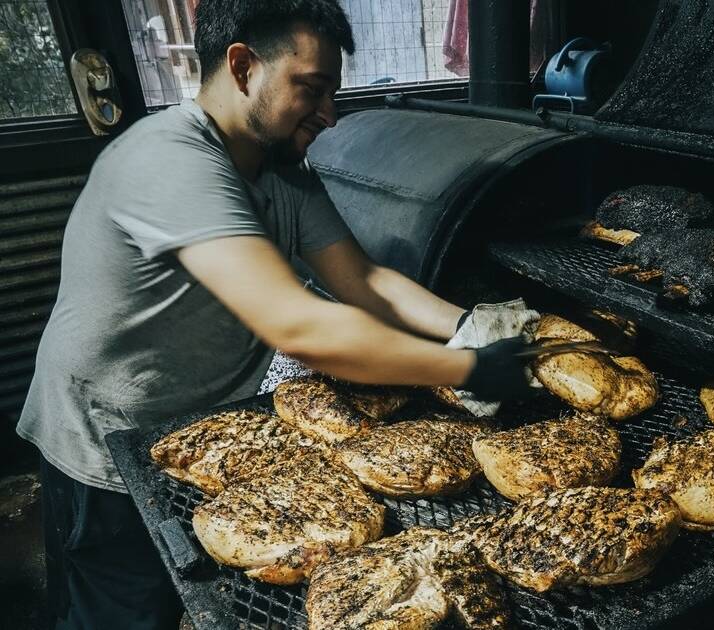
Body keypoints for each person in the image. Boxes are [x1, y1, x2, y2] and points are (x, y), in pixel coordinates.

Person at [16, 1, 533, 627]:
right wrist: (465, 369)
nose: (329, 115)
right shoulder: (167, 159)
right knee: (123, 611)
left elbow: (365, 281)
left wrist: (477, 328)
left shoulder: (284, 173)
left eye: (332, 93)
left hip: (207, 429)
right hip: (107, 441)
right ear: (243, 66)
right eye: (310, 89)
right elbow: (299, 327)